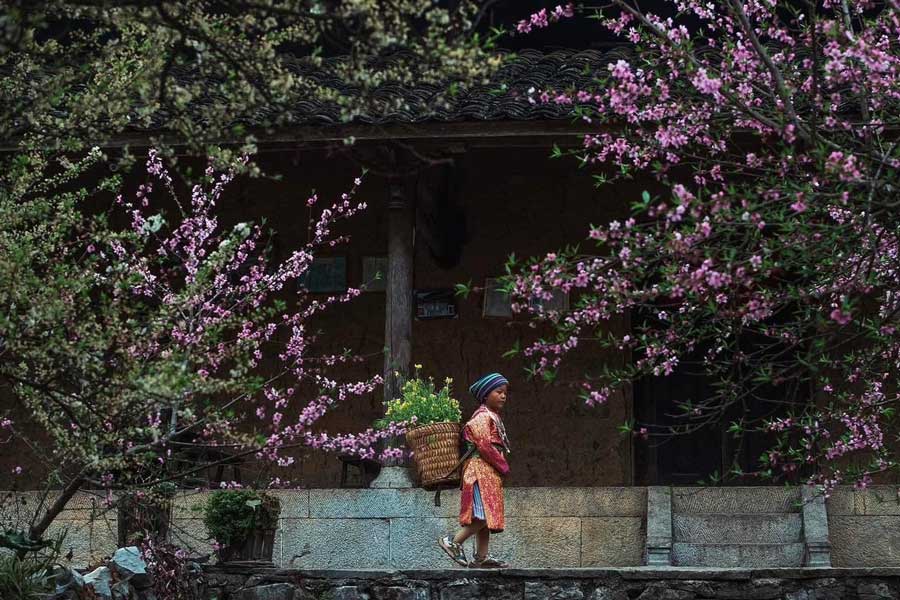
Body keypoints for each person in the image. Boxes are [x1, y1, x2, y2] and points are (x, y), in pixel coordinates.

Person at [438, 372, 511, 568]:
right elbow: (484, 445)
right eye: (499, 391)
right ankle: (453, 541)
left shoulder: (492, 417)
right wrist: (502, 465)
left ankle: (481, 557)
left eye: (505, 392)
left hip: (488, 472)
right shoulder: (481, 417)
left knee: (485, 515)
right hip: (479, 471)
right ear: (486, 395)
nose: (503, 396)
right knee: (485, 515)